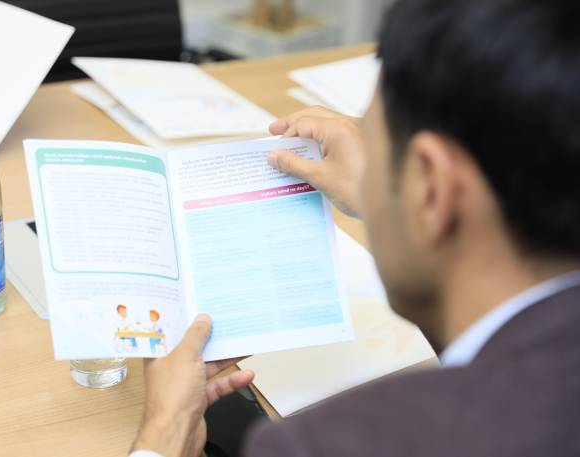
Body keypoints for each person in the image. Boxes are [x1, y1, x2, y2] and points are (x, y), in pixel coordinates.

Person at [129, 0, 580, 455]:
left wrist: (164, 430)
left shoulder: (323, 444)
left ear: (432, 187)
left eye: (374, 153)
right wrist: (397, 204)